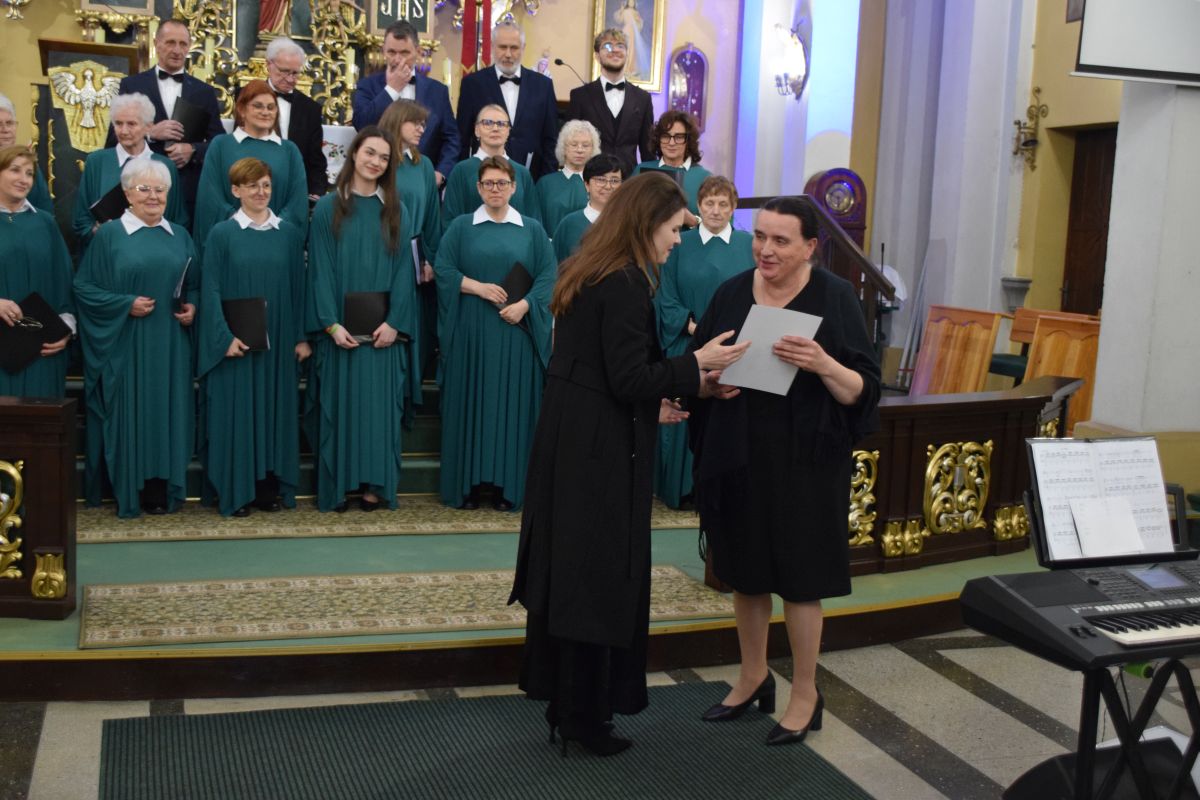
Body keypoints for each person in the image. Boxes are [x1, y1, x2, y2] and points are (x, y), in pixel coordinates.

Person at [509, 172, 749, 756]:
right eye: (673, 229)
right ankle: (584, 717)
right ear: (646, 224)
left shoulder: (594, 268)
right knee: (598, 575)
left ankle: (571, 705)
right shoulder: (624, 282)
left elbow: (600, 372)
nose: (677, 240)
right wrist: (697, 362)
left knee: (575, 572)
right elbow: (627, 375)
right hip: (598, 455)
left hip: (576, 438)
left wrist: (663, 397)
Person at [689, 196, 881, 746]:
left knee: (800, 581)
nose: (765, 250)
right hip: (740, 453)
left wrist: (822, 363)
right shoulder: (731, 292)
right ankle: (752, 677)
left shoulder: (835, 297)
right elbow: (701, 366)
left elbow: (862, 391)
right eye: (760, 237)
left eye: (780, 241)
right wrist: (710, 385)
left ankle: (805, 693)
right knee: (745, 572)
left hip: (806, 462)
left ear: (810, 247)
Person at [74, 158, 198, 518]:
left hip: (170, 345)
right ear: (127, 194)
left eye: (160, 190)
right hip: (127, 345)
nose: (153, 196)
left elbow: (195, 284)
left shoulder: (180, 235)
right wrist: (124, 303)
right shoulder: (110, 235)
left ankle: (161, 487)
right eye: (144, 189)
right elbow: (84, 288)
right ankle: (130, 488)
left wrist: (193, 308)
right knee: (132, 415)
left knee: (165, 414)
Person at [306, 126, 419, 513]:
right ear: (354, 153)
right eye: (370, 153)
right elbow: (320, 270)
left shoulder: (397, 210)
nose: (376, 162)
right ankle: (339, 486)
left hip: (383, 336)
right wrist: (330, 324)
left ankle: (375, 486)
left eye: (384, 157)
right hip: (340, 333)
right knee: (341, 411)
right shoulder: (328, 208)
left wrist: (395, 322)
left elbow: (404, 271)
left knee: (378, 415)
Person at [434, 156, 555, 512]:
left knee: (512, 412)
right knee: (472, 406)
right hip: (472, 332)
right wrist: (478, 287)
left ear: (514, 187)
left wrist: (526, 305)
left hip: (516, 334)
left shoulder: (532, 229)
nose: (495, 189)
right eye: (488, 183)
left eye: (502, 183)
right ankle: (469, 485)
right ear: (478, 187)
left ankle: (508, 486)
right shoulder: (462, 226)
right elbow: (443, 269)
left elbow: (549, 275)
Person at [197, 157, 309, 517]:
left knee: (275, 412)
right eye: (252, 186)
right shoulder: (221, 234)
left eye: (266, 185)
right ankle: (237, 491)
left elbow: (299, 288)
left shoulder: (288, 234)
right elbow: (210, 290)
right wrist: (223, 337)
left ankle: (267, 489)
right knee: (239, 415)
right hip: (238, 344)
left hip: (279, 342)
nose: (261, 192)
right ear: (235, 190)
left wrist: (301, 337)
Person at [654, 176, 753, 509]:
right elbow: (665, 294)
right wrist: (698, 330)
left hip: (736, 349)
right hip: (688, 344)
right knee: (686, 414)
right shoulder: (680, 242)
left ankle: (722, 488)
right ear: (698, 206)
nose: (716, 210)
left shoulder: (748, 245)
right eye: (709, 203)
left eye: (723, 204)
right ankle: (683, 489)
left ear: (733, 208)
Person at [107, 18, 225, 213]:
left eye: (183, 44)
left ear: (189, 47)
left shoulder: (204, 91)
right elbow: (112, 139)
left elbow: (219, 141)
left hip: (187, 190)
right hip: (141, 188)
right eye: (170, 42)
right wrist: (149, 133)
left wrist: (193, 149)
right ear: (156, 44)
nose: (177, 50)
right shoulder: (132, 85)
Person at [193, 80, 308, 248]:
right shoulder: (221, 145)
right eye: (258, 106)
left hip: (276, 241)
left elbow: (297, 201)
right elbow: (210, 196)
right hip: (232, 239)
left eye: (271, 107)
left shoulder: (289, 150)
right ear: (242, 110)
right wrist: (241, 224)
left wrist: (272, 226)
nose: (265, 112)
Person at [0, 145, 73, 398]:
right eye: (15, 170)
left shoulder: (45, 223)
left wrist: (65, 330)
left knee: (40, 419)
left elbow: (63, 280)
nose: (24, 179)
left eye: (29, 173)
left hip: (42, 349)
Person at [73, 93, 188, 249]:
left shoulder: (166, 165)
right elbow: (81, 220)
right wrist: (97, 231)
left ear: (148, 127)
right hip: (108, 249)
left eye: (131, 124)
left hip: (153, 250)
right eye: (118, 124)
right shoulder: (96, 162)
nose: (124, 131)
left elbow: (177, 219)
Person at [353, 20, 459, 187]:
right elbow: (362, 124)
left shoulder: (437, 91)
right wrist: (392, 89)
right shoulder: (367, 85)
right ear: (383, 51)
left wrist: (441, 173)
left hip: (423, 182)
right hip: (377, 180)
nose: (397, 60)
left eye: (404, 53)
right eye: (391, 52)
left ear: (418, 51)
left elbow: (451, 138)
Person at [378, 99, 442, 379]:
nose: (421, 129)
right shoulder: (379, 161)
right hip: (381, 254)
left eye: (423, 124)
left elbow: (431, 218)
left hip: (412, 259)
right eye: (415, 122)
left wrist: (430, 259)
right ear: (396, 120)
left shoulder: (423, 164)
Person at [455, 21, 559, 180]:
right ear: (492, 47)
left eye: (514, 48)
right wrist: (465, 179)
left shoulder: (543, 85)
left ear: (523, 48)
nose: (508, 54)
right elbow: (462, 138)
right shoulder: (473, 84)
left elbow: (551, 140)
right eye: (503, 47)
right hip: (483, 181)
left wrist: (546, 182)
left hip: (531, 181)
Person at [566, 29, 654, 176]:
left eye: (620, 46)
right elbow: (569, 144)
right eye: (607, 46)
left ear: (627, 54)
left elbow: (648, 150)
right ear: (597, 55)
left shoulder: (643, 98)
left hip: (629, 181)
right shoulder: (580, 96)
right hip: (590, 179)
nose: (614, 50)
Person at [441, 104, 539, 224]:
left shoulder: (522, 173)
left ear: (508, 131)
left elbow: (534, 222)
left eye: (501, 124)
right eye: (488, 123)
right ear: (477, 130)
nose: (495, 128)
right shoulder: (461, 171)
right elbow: (450, 221)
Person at [263, 37, 329, 198]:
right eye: (284, 71)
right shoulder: (247, 98)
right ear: (268, 65)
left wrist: (316, 192)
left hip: (295, 189)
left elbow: (315, 159)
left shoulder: (310, 109)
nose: (290, 79)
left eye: (295, 73)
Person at [633, 110, 711, 215]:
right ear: (658, 139)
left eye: (679, 137)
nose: (671, 143)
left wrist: (693, 220)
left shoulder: (704, 177)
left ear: (688, 141)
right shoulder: (641, 170)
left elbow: (715, 220)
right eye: (666, 136)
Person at [551, 152, 622, 263]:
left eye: (614, 181)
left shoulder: (631, 223)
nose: (608, 186)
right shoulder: (569, 224)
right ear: (587, 184)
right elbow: (555, 265)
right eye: (601, 180)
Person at [536, 120, 600, 236]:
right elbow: (537, 221)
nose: (580, 150)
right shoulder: (545, 184)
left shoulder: (600, 183)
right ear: (563, 148)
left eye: (585, 145)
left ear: (593, 149)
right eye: (574, 145)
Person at [0, 94, 52, 213]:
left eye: (9, 123)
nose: (5, 130)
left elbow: (45, 210)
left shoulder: (27, 163)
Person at [614, 0, 651, 81]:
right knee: (625, 48)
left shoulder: (635, 12)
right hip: (626, 30)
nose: (631, 3)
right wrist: (621, 10)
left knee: (632, 50)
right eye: (630, 2)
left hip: (633, 32)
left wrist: (639, 21)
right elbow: (619, 19)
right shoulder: (624, 11)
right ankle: (624, 68)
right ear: (627, 3)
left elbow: (639, 23)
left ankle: (630, 69)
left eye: (632, 2)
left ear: (634, 3)